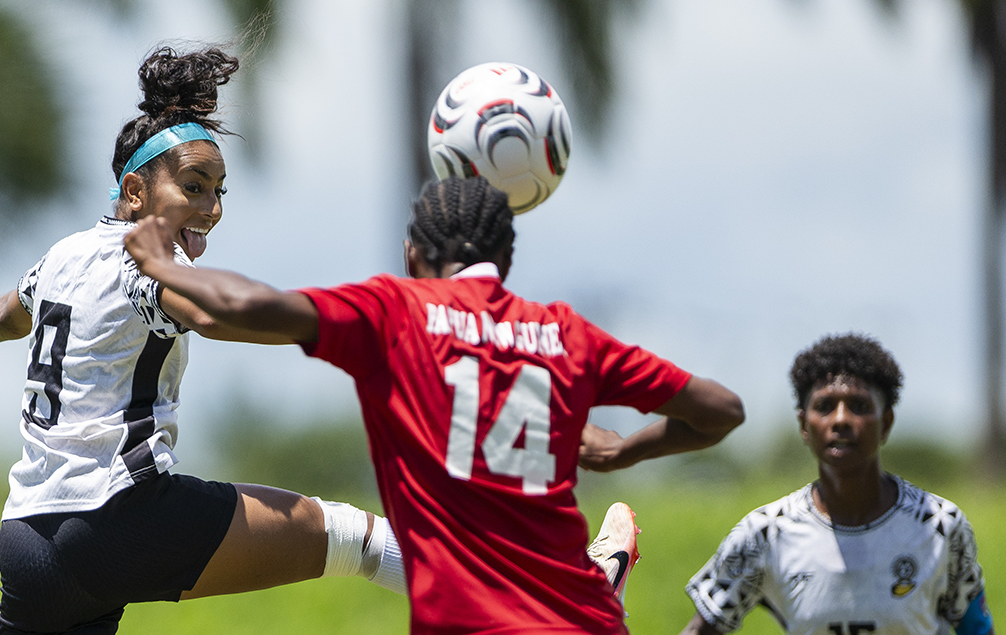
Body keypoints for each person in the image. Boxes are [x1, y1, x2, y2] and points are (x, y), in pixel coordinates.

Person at [0, 45, 406, 635]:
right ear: (136, 191)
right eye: (194, 186)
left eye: (219, 191)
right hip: (120, 516)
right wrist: (359, 325)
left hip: (28, 540)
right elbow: (213, 314)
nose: (211, 208)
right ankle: (497, 596)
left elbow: (8, 315)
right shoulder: (146, 263)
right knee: (351, 536)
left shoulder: (61, 255)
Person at [123, 175, 747, 634]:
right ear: (506, 261)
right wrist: (624, 450)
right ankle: (598, 573)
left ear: (411, 256)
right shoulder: (565, 333)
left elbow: (249, 304)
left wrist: (160, 262)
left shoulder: (397, 313)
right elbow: (721, 409)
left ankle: (603, 570)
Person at [681, 333, 995, 635]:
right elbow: (701, 629)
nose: (841, 419)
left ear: (885, 423)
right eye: (824, 406)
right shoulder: (765, 534)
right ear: (804, 425)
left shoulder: (938, 525)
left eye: (859, 406)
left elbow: (977, 629)